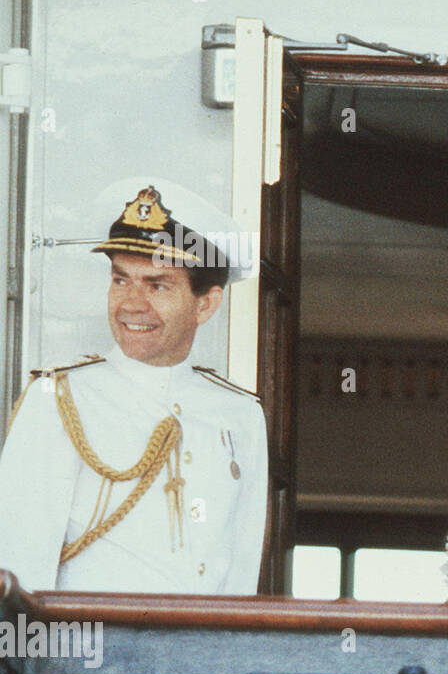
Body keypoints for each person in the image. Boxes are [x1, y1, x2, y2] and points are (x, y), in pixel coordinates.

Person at [0, 184, 268, 592]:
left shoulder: (240, 414)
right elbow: (16, 580)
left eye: (157, 285)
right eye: (121, 280)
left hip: (204, 654)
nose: (131, 304)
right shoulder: (57, 400)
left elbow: (241, 578)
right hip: (90, 653)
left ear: (205, 305)